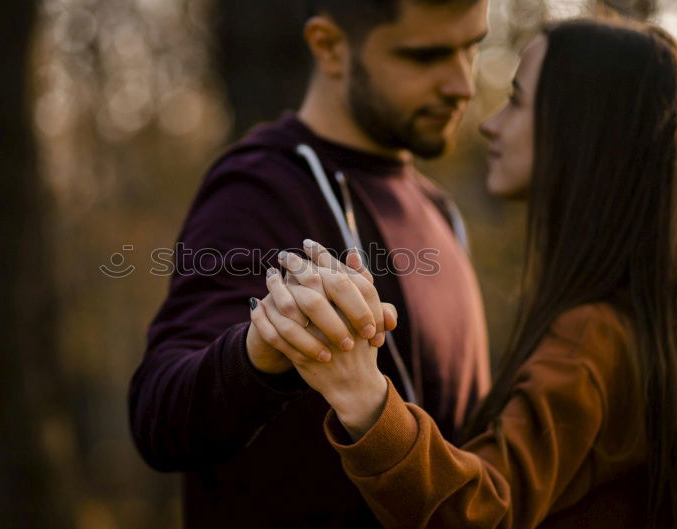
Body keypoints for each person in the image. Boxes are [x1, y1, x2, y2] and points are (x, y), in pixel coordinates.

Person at [250, 18, 677, 529]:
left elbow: (482, 513)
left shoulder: (592, 337)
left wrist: (362, 393)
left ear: (577, 129)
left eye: (515, 100)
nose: (490, 123)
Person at [128, 0, 490, 526]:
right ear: (329, 46)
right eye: (425, 56)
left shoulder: (439, 210)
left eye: (471, 48)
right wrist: (258, 354)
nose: (462, 84)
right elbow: (157, 417)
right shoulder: (260, 190)